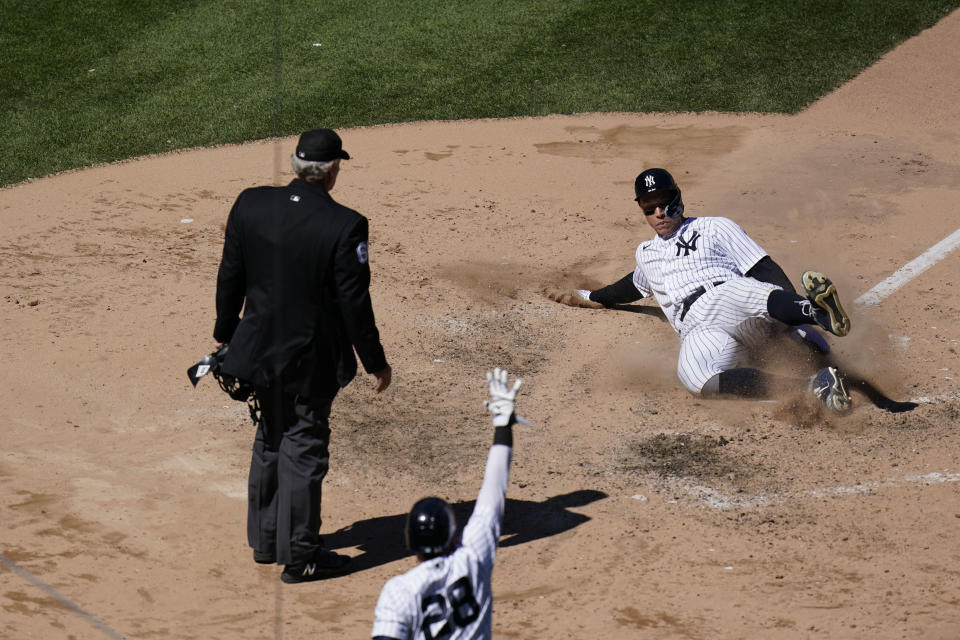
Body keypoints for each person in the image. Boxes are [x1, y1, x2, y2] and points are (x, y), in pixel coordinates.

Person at [213, 128, 392, 584]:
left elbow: (230, 273)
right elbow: (355, 303)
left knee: (271, 435)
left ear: (295, 163)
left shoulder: (249, 203)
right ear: (332, 169)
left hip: (253, 348)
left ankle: (267, 540)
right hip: (309, 358)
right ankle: (301, 555)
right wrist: (374, 361)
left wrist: (223, 334)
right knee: (303, 444)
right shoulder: (345, 224)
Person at [573, 167, 854, 412]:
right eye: (649, 208)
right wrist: (591, 297)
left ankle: (813, 311)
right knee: (695, 378)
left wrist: (789, 308)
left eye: (662, 203)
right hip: (698, 329)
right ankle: (814, 386)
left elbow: (762, 268)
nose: (658, 213)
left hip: (727, 296)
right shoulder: (646, 254)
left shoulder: (714, 227)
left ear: (677, 199)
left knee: (742, 293)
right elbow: (629, 287)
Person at [371, 368, 525, 640]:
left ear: (410, 542)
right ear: (453, 535)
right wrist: (503, 426)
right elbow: (493, 494)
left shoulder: (400, 592)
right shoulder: (473, 559)